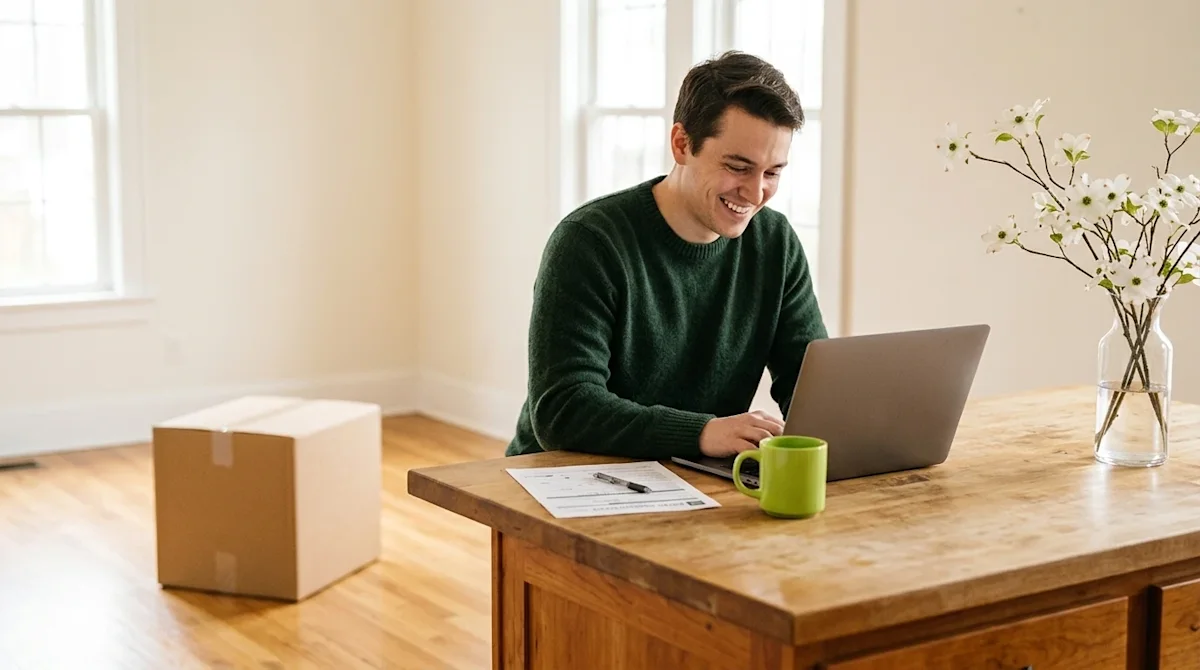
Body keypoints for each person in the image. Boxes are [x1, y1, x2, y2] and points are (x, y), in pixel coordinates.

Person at [504, 50, 828, 460]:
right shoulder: (589, 242)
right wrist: (701, 432)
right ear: (681, 144)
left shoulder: (775, 243)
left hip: (694, 475)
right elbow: (563, 410)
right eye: (738, 166)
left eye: (773, 172)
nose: (755, 191)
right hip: (563, 477)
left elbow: (810, 387)